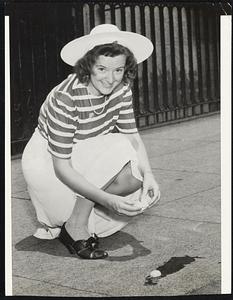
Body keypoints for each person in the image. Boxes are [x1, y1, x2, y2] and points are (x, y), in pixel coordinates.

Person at [22, 24, 160, 260]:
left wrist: (149, 175)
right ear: (88, 66)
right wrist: (107, 200)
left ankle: (80, 214)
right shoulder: (67, 96)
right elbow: (61, 166)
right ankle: (74, 225)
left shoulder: (122, 88)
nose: (111, 79)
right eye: (102, 69)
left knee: (135, 171)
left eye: (118, 69)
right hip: (48, 162)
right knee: (118, 145)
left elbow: (133, 136)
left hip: (85, 153)